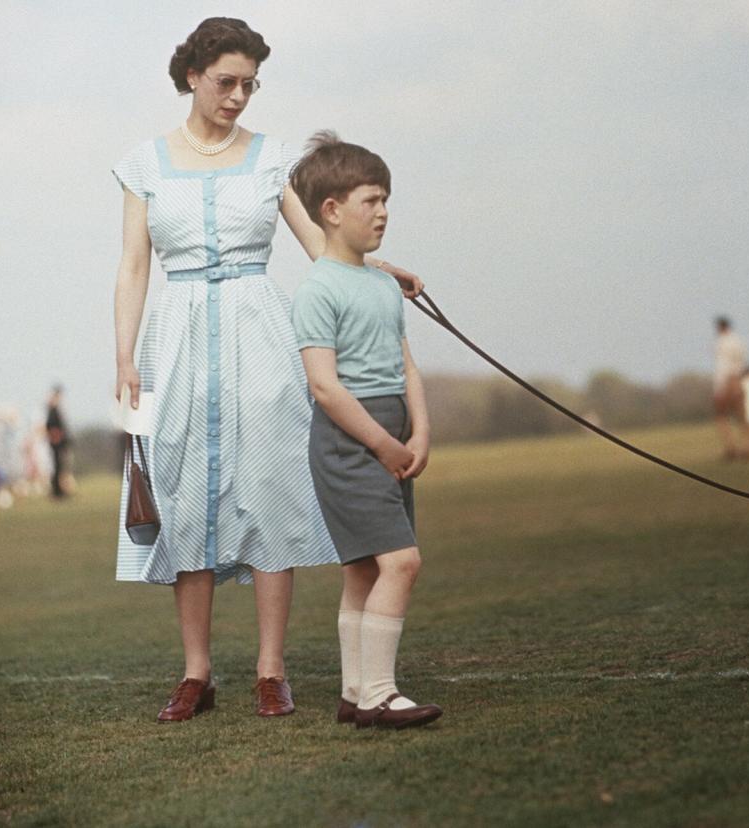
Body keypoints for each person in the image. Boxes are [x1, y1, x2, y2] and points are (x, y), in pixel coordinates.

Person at [112, 18, 423, 723]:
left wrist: (381, 272)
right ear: (192, 75)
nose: (239, 95)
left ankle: (270, 670)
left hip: (261, 333)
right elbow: (134, 265)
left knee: (268, 491)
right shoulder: (143, 165)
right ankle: (196, 673)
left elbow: (324, 246)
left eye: (250, 84)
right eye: (227, 81)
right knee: (187, 497)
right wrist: (125, 355)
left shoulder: (274, 159)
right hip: (181, 334)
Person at [291, 132, 442, 729]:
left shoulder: (382, 284)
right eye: (370, 201)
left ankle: (355, 695)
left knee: (365, 567)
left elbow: (406, 365)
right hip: (348, 441)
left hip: (393, 435)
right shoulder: (317, 289)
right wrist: (382, 444)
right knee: (401, 562)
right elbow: (325, 387)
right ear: (331, 210)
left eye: (386, 201)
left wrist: (420, 432)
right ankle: (380, 694)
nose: (383, 213)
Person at [712, 316, 748, 460]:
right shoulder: (738, 341)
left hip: (725, 381)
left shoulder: (722, 342)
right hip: (737, 379)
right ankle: (746, 445)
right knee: (741, 416)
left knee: (721, 416)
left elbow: (724, 366)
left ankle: (730, 446)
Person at [45, 386, 71, 498]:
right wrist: (56, 437)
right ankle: (56, 491)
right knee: (57, 467)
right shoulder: (52, 410)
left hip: (60, 442)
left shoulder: (56, 409)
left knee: (60, 467)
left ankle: (59, 490)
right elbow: (50, 426)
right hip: (56, 442)